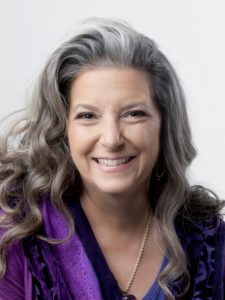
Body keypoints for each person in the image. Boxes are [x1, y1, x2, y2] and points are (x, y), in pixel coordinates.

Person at [0, 18, 224, 300]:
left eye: (133, 113)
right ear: (62, 129)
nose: (111, 138)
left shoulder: (209, 244)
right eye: (87, 116)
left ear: (164, 125)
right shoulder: (15, 235)